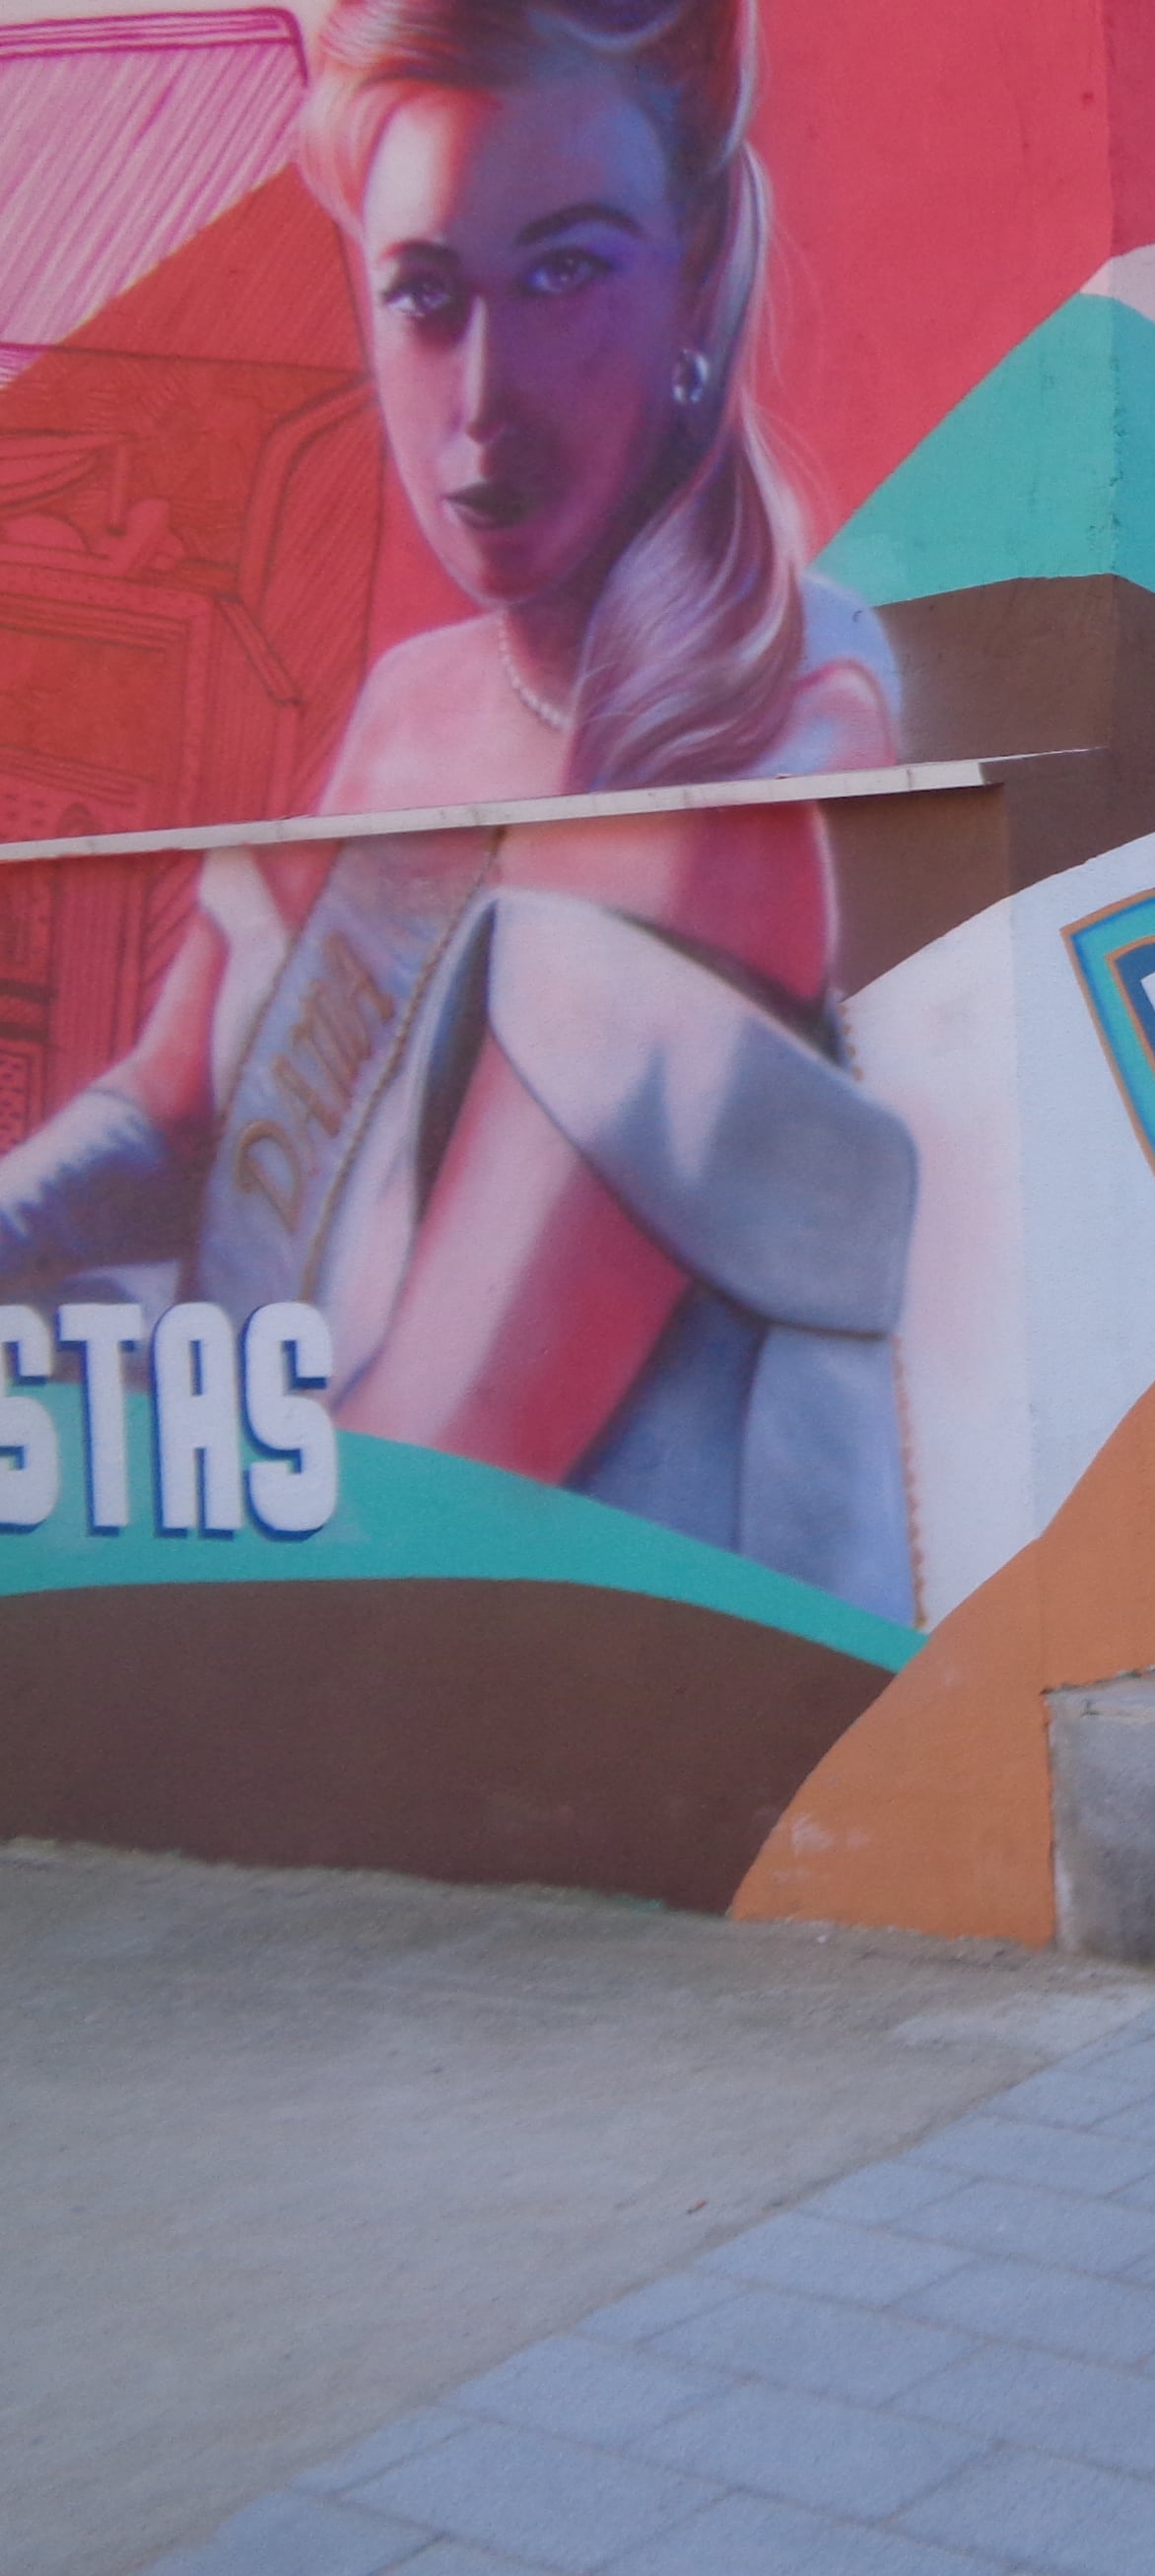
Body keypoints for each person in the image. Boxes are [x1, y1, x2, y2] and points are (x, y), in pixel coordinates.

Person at [0, 0, 917, 1619]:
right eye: (426, 296)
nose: (484, 398)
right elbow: (168, 1105)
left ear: (698, 275)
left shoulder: (756, 759)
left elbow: (435, 1480)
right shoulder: (414, 701)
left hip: (564, 1703)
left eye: (566, 271)